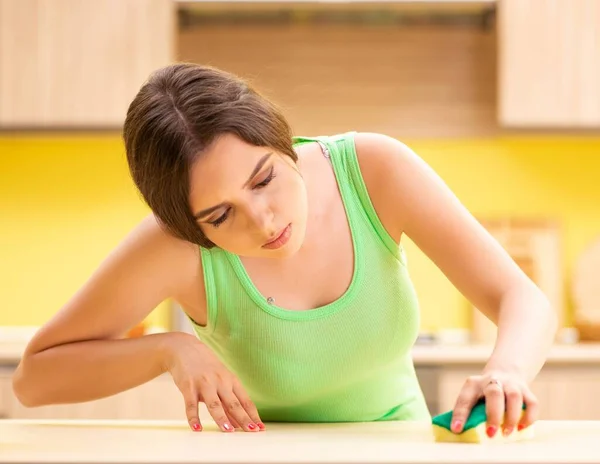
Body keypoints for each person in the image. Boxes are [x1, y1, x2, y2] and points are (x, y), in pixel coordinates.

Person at [13, 63, 557, 437]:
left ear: (279, 137)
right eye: (220, 215)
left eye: (264, 178)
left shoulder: (374, 170)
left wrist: (507, 370)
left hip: (398, 448)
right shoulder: (173, 244)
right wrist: (168, 349)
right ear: (189, 224)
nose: (263, 220)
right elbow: (34, 380)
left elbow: (521, 297)